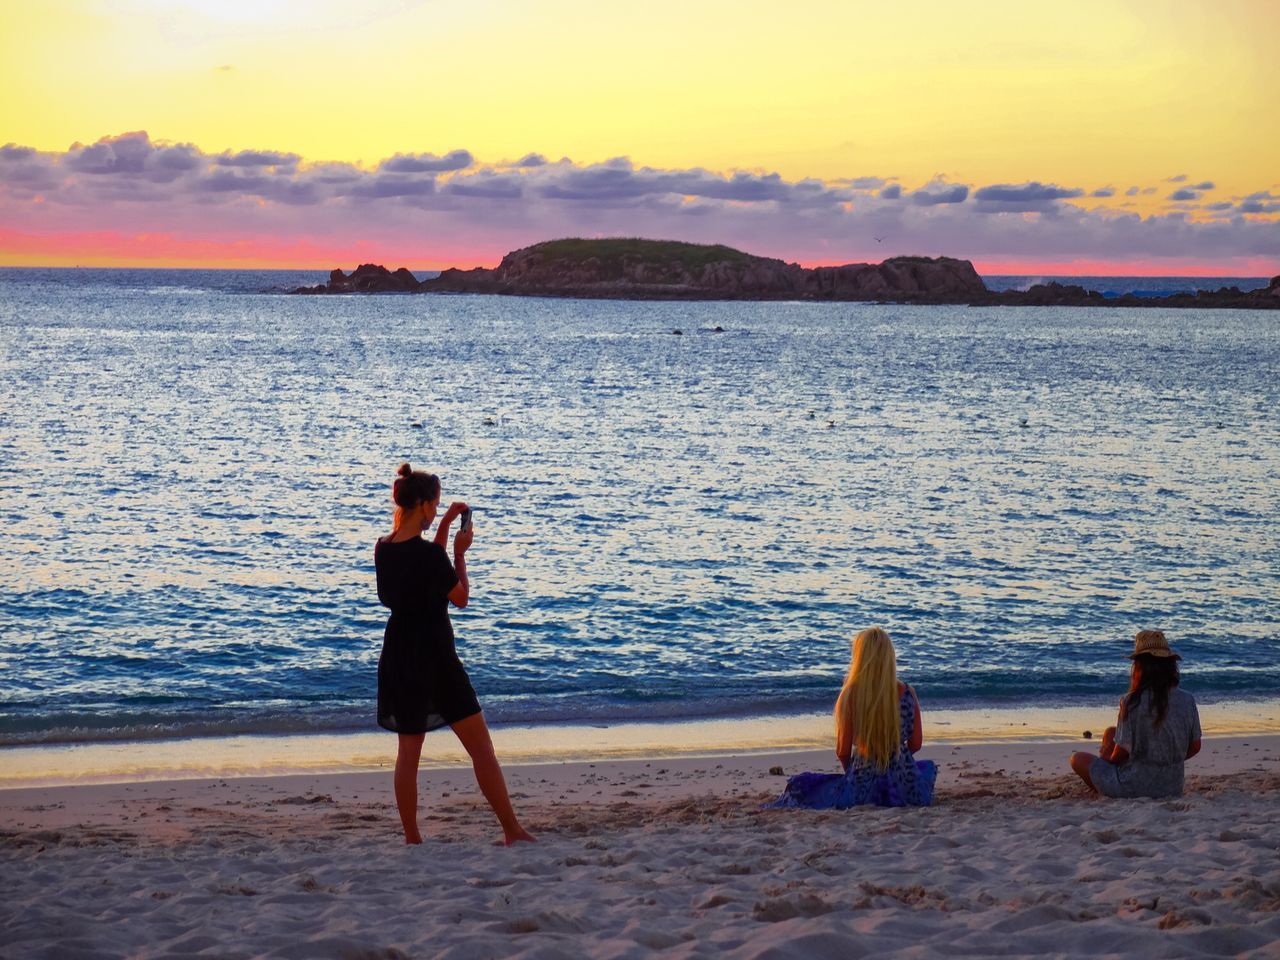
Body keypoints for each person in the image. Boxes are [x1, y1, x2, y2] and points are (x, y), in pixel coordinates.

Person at [375, 463, 534, 845]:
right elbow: (458, 595)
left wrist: (445, 526)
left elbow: (426, 565)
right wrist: (461, 554)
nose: (437, 512)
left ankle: (412, 838)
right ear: (425, 505)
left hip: (400, 656)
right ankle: (512, 831)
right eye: (437, 506)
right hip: (437, 660)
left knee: (408, 755)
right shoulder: (432, 558)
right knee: (482, 749)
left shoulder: (383, 548)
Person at [770, 627, 937, 808]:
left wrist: (853, 770)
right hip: (905, 786)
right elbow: (916, 744)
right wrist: (893, 760)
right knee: (925, 769)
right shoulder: (908, 693)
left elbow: (842, 751)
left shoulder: (850, 696)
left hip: (863, 785)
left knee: (802, 786)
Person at [1070, 630, 1201, 799]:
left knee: (1077, 759)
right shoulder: (1187, 700)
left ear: (1139, 667)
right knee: (1111, 732)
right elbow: (1195, 746)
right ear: (1170, 666)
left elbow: (1121, 754)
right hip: (1172, 787)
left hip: (1134, 787)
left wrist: (1106, 759)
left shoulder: (1131, 701)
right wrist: (1166, 760)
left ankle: (1105, 789)